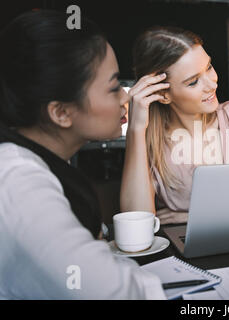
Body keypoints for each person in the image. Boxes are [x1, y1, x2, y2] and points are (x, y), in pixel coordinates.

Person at [0, 10, 165, 299]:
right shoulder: (18, 183)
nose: (125, 97)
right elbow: (109, 291)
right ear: (61, 112)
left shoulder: (41, 164)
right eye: (114, 87)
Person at [120, 27, 229, 225]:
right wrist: (136, 129)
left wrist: (193, 216)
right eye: (193, 82)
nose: (212, 84)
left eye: (209, 67)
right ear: (164, 95)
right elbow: (137, 223)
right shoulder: (150, 141)